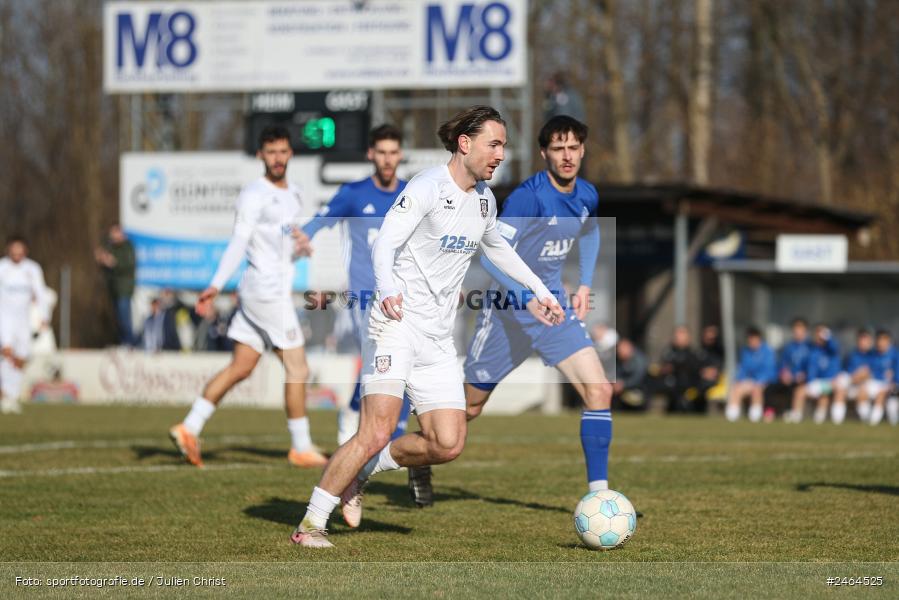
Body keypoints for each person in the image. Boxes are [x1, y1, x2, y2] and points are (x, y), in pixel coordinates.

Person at [291, 105, 564, 548]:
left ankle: (364, 471)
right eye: (494, 144)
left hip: (436, 338)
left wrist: (538, 290)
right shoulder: (426, 187)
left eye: (504, 146)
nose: (501, 154)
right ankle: (311, 524)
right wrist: (387, 288)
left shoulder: (483, 200)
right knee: (376, 429)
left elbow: (497, 249)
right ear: (465, 143)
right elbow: (384, 243)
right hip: (395, 324)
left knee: (448, 443)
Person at [459, 114, 611, 498]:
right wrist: (527, 298)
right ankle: (422, 457)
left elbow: (590, 232)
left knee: (599, 391)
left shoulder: (587, 195)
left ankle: (598, 496)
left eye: (573, 147)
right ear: (544, 153)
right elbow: (492, 259)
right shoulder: (529, 197)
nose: (567, 156)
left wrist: (585, 283)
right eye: (557, 149)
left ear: (582, 150)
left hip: (554, 307)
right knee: (468, 408)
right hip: (509, 309)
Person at [168, 126, 327, 469]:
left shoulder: (295, 194)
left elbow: (280, 246)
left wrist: (300, 248)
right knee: (298, 367)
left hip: (265, 290)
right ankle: (301, 446)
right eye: (271, 152)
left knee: (242, 366)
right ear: (260, 155)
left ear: (290, 154)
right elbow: (239, 242)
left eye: (283, 151)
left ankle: (189, 427)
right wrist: (215, 284)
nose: (277, 158)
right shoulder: (253, 194)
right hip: (265, 292)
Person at [294, 124, 418, 500]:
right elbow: (321, 219)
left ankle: (356, 424)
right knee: (386, 370)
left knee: (400, 373)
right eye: (381, 152)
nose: (387, 159)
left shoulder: (411, 195)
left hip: (405, 299)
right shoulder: (354, 194)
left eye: (393, 152)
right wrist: (305, 236)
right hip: (366, 301)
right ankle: (374, 452)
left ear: (400, 155)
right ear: (371, 154)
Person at [0, 237, 52, 414]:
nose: (16, 254)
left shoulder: (32, 269)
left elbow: (40, 292)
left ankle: (12, 395)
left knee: (21, 357)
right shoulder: (2, 268)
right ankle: (5, 395)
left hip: (23, 319)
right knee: (7, 353)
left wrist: (44, 317)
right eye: (13, 250)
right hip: (4, 317)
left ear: (25, 251)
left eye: (19, 250)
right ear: (9, 250)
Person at [787, 324, 840, 424]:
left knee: (824, 395)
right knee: (799, 392)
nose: (818, 337)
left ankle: (820, 419)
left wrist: (826, 336)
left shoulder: (831, 349)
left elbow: (834, 346)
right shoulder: (811, 350)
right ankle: (796, 417)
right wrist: (797, 374)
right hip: (814, 382)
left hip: (829, 382)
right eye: (817, 334)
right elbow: (802, 367)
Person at [95, 224, 136, 346]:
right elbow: (107, 266)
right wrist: (102, 260)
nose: (112, 236)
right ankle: (123, 341)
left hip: (124, 288)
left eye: (114, 233)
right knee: (118, 318)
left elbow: (127, 265)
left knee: (124, 317)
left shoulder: (127, 247)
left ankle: (128, 342)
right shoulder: (111, 247)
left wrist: (113, 262)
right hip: (114, 289)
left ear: (120, 233)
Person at [725, 326, 776, 422]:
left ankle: (754, 417)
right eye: (749, 339)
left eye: (753, 339)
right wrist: (739, 380)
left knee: (756, 390)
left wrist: (759, 381)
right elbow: (742, 369)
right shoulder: (745, 351)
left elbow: (770, 370)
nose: (751, 341)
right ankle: (732, 417)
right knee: (736, 388)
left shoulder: (768, 351)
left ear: (759, 338)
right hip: (749, 382)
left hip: (765, 382)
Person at [831, 329, 874, 425]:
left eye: (866, 340)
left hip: (869, 385)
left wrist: (860, 376)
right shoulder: (851, 355)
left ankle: (867, 421)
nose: (863, 342)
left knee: (862, 389)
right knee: (840, 391)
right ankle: (836, 423)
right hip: (851, 384)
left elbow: (871, 373)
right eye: (861, 339)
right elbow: (845, 371)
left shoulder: (874, 355)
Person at [657, 325, 703, 412]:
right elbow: (663, 369)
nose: (679, 337)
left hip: (691, 385)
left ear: (688, 337)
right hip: (673, 386)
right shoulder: (668, 352)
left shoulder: (695, 353)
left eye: (682, 334)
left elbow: (698, 370)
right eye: (677, 334)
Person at [865, 330, 894, 425]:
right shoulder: (873, 354)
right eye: (879, 340)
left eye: (883, 340)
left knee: (882, 395)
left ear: (888, 341)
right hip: (875, 382)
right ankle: (865, 419)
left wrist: (894, 380)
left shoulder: (895, 355)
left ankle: (873, 423)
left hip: (891, 385)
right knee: (862, 392)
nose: (881, 343)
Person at [613, 338, 647, 410]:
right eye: (619, 350)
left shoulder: (639, 360)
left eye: (622, 350)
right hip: (620, 387)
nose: (620, 352)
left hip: (638, 387)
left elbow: (638, 377)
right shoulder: (617, 359)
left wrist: (624, 384)